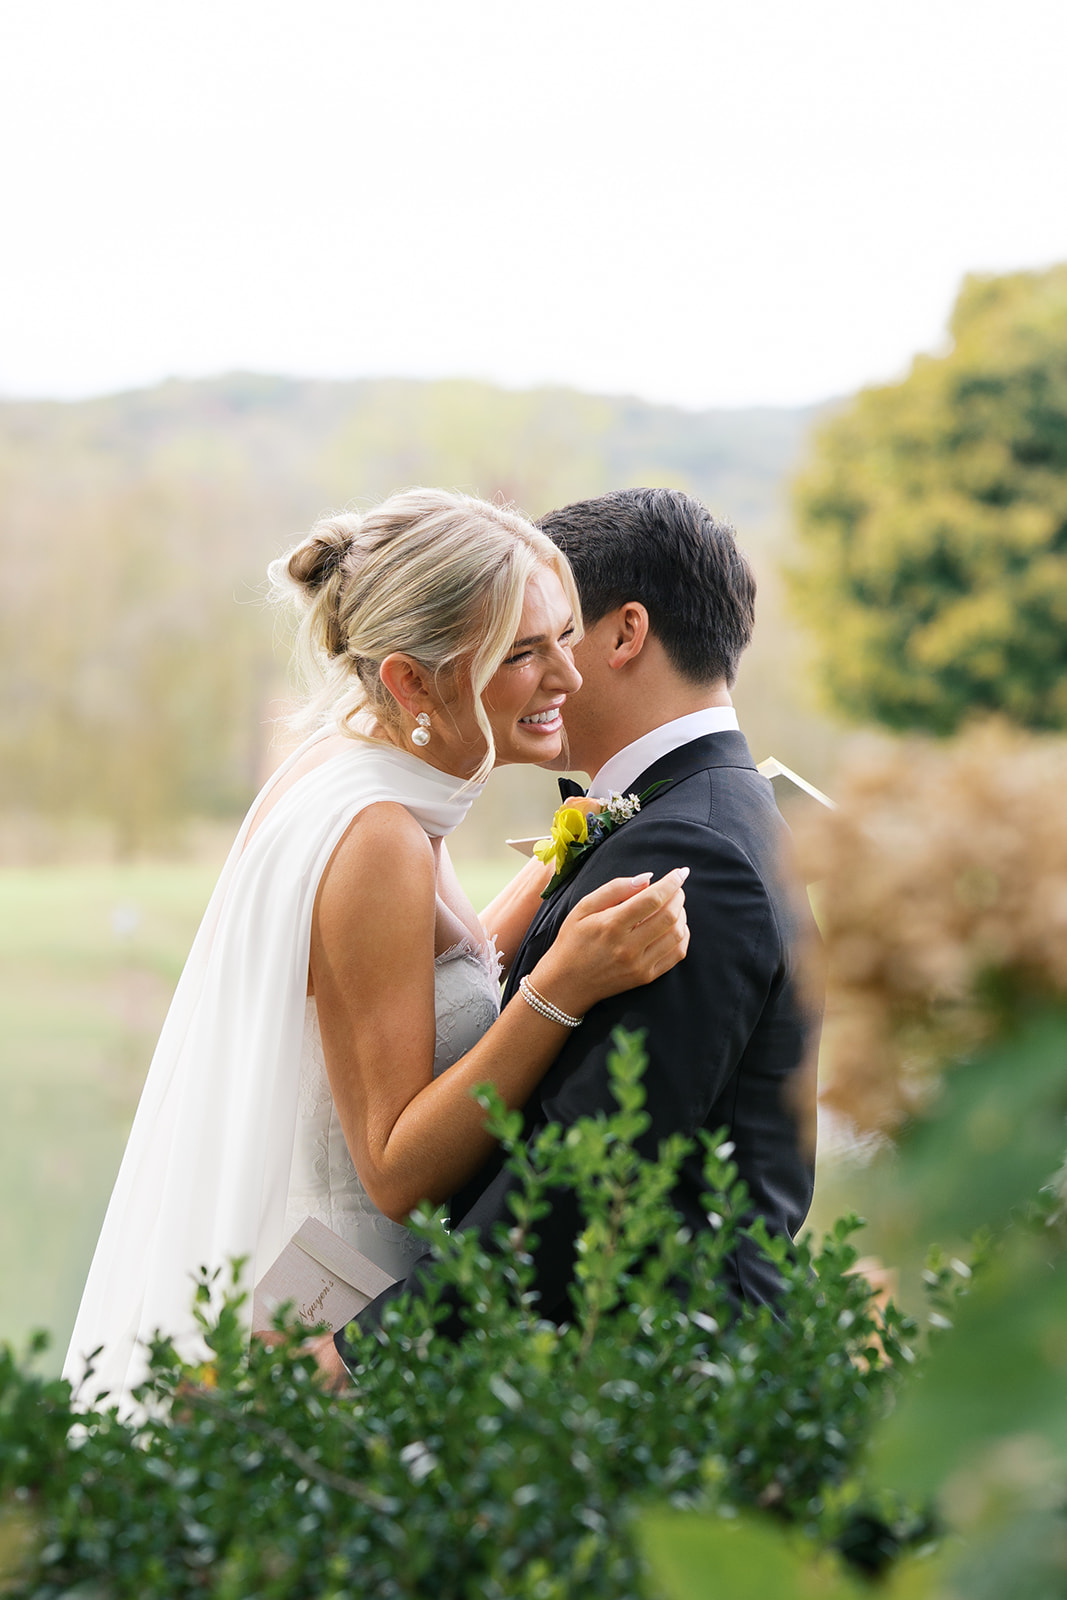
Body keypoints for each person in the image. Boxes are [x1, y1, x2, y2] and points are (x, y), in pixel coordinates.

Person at [63, 488, 689, 1406]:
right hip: (343, 1316)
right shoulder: (379, 836)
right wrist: (560, 986)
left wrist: (564, 859)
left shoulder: (366, 769)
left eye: (564, 635)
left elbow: (426, 971)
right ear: (411, 682)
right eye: (523, 653)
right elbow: (395, 1169)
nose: (569, 676)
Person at [333, 486, 820, 1373]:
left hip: (665, 1375)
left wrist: (363, 1356)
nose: (549, 671)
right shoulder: (689, 814)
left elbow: (588, 1178)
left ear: (624, 634)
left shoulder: (690, 850)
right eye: (530, 644)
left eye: (560, 634)